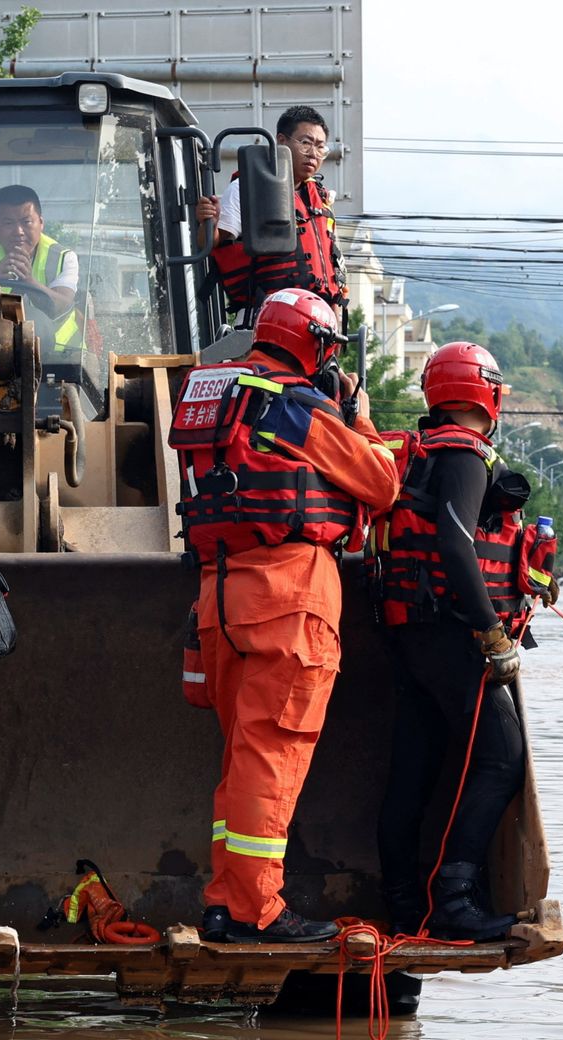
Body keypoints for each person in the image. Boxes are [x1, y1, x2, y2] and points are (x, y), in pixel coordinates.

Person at [169, 288, 399, 943]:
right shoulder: (297, 406)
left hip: (220, 600)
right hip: (288, 600)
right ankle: (254, 911)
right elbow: (379, 483)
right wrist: (359, 414)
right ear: (313, 347)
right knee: (271, 762)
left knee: (243, 763)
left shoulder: (214, 396)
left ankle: (225, 901)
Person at [374, 341, 553, 941]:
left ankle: (403, 906)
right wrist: (492, 633)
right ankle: (451, 898)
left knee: (416, 767)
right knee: (502, 758)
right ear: (491, 393)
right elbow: (455, 548)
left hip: (411, 630)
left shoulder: (423, 451)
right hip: (450, 632)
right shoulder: (464, 454)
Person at [195, 105, 346, 319]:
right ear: (281, 141)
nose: (313, 153)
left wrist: (335, 309)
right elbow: (210, 242)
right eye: (305, 143)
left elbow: (333, 262)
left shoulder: (321, 199)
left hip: (317, 320)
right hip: (266, 317)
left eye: (320, 147)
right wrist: (207, 220)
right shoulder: (247, 187)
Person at [0, 184, 82, 353]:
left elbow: (62, 305)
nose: (18, 231)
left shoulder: (63, 257)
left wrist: (29, 281)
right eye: (8, 223)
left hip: (61, 357)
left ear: (41, 223)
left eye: (26, 222)